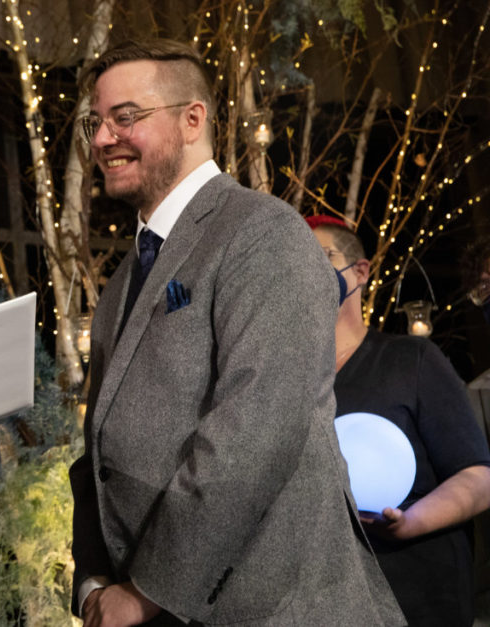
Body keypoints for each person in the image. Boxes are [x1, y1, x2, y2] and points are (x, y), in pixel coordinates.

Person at [68, 39, 404, 626]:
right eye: (96, 122)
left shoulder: (264, 235)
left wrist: (147, 591)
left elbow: (255, 434)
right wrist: (93, 579)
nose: (101, 138)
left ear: (192, 118)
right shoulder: (125, 279)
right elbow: (99, 447)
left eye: (126, 118)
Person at [308, 215, 490, 626]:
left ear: (360, 271)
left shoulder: (412, 360)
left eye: (322, 257)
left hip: (417, 597)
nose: (309, 271)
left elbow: (477, 477)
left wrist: (410, 522)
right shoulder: (291, 383)